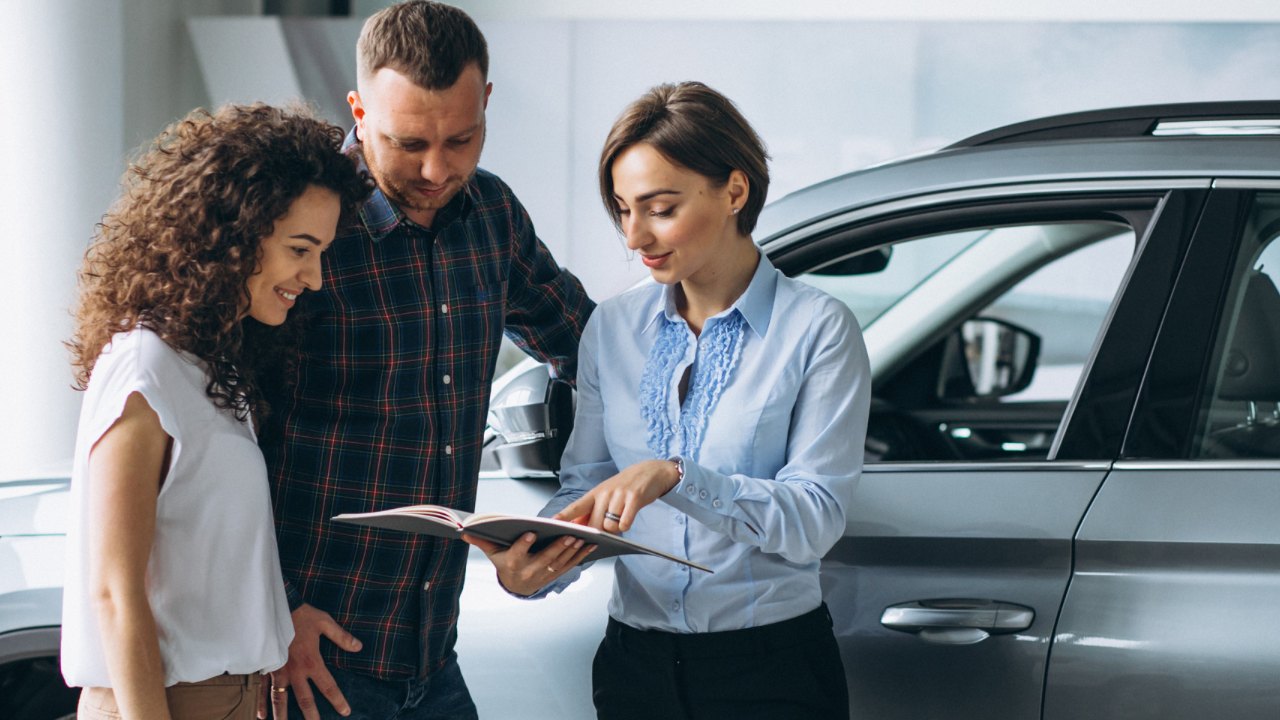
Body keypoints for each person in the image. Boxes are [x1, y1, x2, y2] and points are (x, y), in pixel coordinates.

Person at [466, 81, 871, 720]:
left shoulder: (818, 329)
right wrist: (537, 567)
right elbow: (590, 485)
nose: (635, 237)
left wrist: (677, 477)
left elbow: (814, 518)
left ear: (734, 191)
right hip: (636, 671)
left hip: (771, 671)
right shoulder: (612, 329)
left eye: (658, 208)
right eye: (623, 210)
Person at [258, 3, 594, 719]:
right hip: (313, 660)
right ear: (357, 109)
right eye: (407, 142)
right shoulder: (303, 231)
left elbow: (593, 355)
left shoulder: (494, 216)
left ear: (486, 105)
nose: (438, 168)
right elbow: (220, 444)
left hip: (434, 658)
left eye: (462, 138)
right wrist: (271, 613)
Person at [60, 103, 371, 720]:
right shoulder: (146, 365)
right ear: (234, 233)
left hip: (237, 698)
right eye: (299, 249)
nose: (314, 278)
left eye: (322, 254)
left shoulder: (212, 366)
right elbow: (115, 594)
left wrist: (272, 624)